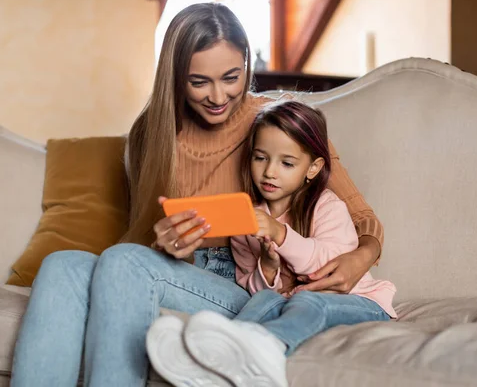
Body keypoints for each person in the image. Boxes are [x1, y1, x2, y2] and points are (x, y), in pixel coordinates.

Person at [11, 3, 385, 387]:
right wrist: (171, 244)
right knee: (60, 266)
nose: (218, 96)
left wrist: (361, 257)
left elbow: (360, 218)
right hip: (185, 272)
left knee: (125, 262)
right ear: (175, 76)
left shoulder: (276, 126)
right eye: (199, 82)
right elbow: (144, 247)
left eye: (231, 77)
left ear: (245, 64)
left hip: (248, 281)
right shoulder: (150, 134)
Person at [147, 101, 397, 387]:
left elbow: (326, 266)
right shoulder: (249, 219)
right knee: (265, 300)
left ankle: (269, 346)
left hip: (360, 301)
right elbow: (249, 285)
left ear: (313, 168)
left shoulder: (327, 206)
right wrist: (266, 269)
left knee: (308, 300)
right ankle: (215, 358)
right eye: (260, 158)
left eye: (286, 163)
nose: (269, 172)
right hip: (293, 300)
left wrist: (281, 234)